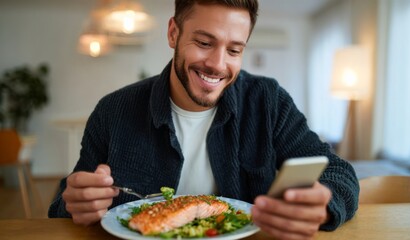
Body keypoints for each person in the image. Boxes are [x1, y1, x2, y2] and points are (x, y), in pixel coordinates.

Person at [49, 0, 359, 239]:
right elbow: (69, 199)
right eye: (204, 43)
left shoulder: (269, 101)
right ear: (173, 33)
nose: (217, 65)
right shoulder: (113, 110)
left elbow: (340, 173)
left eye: (234, 50)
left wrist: (323, 203)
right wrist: (76, 202)